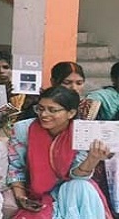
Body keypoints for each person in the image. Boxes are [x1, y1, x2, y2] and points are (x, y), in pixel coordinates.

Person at [6, 86, 112, 219]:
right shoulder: (23, 129)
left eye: (52, 110)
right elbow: (16, 167)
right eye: (40, 108)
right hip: (34, 190)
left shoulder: (82, 132)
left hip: (69, 188)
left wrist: (93, 159)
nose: (44, 115)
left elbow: (76, 176)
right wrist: (21, 197)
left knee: (81, 186)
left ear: (71, 113)